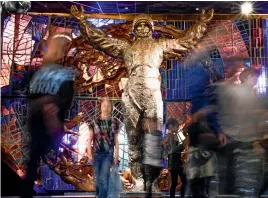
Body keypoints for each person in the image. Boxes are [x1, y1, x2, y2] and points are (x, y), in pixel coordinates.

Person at [71, 5, 213, 189]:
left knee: (153, 138)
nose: (143, 29)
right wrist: (82, 20)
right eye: (139, 26)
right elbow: (100, 39)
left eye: (146, 26)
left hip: (153, 92)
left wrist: (202, 23)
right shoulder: (125, 47)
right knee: (133, 137)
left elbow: (185, 41)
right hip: (132, 93)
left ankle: (151, 181)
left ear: (151, 29)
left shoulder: (161, 45)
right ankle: (138, 180)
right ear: (134, 29)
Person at [20, 34, 76, 198]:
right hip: (42, 122)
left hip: (46, 122)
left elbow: (65, 100)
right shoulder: (42, 73)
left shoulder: (49, 74)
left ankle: (33, 187)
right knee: (40, 154)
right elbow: (64, 100)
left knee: (41, 154)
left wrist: (49, 105)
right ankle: (33, 187)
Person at [210, 67, 267, 197]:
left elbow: (216, 91)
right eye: (254, 78)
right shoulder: (248, 95)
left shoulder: (234, 91)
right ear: (247, 78)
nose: (256, 81)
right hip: (243, 142)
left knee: (229, 179)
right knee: (247, 180)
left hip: (232, 140)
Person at [87, 97, 120, 198]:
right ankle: (99, 195)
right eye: (104, 105)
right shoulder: (94, 122)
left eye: (108, 106)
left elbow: (116, 140)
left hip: (108, 154)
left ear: (111, 108)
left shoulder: (114, 122)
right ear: (100, 107)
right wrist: (89, 154)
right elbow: (90, 140)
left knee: (103, 178)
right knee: (97, 179)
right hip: (97, 154)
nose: (106, 108)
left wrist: (116, 155)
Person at [163, 118, 186, 198]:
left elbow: (181, 146)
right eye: (177, 126)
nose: (178, 128)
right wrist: (181, 145)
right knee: (176, 182)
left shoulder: (175, 135)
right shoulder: (170, 136)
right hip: (174, 160)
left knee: (179, 181)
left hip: (176, 160)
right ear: (171, 127)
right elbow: (173, 149)